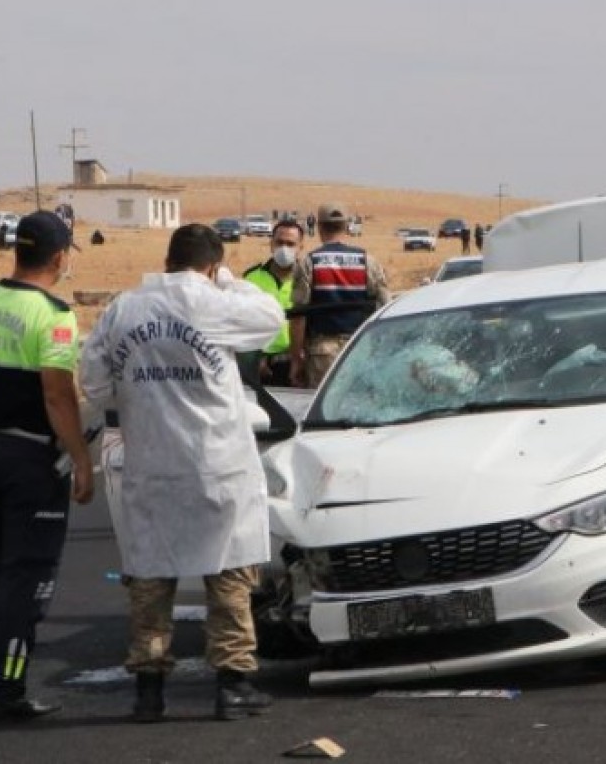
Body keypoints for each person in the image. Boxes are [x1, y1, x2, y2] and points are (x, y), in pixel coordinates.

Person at [80, 223, 284, 722]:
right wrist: (229, 284)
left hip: (153, 464)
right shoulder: (212, 302)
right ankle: (233, 687)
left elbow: (94, 382)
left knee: (151, 579)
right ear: (212, 265)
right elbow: (271, 319)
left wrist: (141, 396)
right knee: (229, 574)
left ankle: (148, 692)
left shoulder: (125, 309)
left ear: (168, 260)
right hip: (217, 464)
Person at [0, 211, 93, 723]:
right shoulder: (54, 315)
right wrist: (81, 458)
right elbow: (57, 394)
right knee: (25, 579)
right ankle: (6, 690)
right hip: (30, 458)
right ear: (60, 257)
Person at [289, 202, 391, 388]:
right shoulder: (367, 261)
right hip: (359, 349)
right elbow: (384, 306)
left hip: (322, 353)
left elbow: (298, 316)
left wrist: (296, 358)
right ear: (346, 226)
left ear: (319, 226)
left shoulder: (309, 262)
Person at [239, 219, 300, 385]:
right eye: (279, 242)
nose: (284, 248)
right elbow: (244, 322)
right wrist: (255, 356)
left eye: (290, 244)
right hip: (261, 363)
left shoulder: (307, 279)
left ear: (300, 247)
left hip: (296, 362)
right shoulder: (252, 277)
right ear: (271, 244)